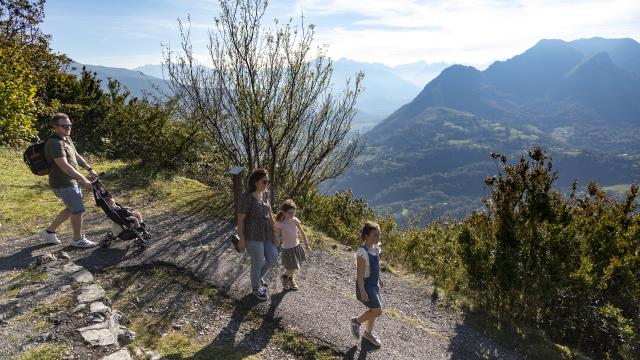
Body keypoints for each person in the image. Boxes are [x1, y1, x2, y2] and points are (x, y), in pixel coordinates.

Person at [39, 113, 98, 248]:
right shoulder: (54, 143)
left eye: (70, 125)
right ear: (55, 126)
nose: (68, 128)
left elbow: (76, 155)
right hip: (62, 182)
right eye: (65, 126)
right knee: (78, 210)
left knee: (73, 208)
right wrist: (83, 179)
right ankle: (77, 240)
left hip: (71, 180)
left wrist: (89, 169)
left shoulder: (66, 138)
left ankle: (49, 232)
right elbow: (64, 166)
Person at [237, 169, 278, 301]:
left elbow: (270, 213)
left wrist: (274, 232)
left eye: (268, 181)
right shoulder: (246, 197)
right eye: (264, 182)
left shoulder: (266, 194)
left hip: (266, 233)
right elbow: (240, 220)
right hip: (252, 235)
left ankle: (258, 277)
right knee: (258, 262)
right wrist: (242, 239)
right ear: (255, 182)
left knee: (272, 258)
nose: (267, 184)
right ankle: (256, 288)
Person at [351, 220, 384, 347]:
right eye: (375, 235)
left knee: (373, 310)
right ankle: (356, 321)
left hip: (373, 284)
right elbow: (359, 274)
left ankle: (368, 333)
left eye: (379, 234)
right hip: (365, 286)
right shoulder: (362, 252)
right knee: (377, 311)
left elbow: (374, 268)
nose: (378, 237)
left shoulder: (375, 249)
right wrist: (363, 290)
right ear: (366, 236)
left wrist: (379, 279)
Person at [273, 199, 310, 290]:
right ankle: (287, 278)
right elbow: (276, 234)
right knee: (291, 266)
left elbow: (302, 232)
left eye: (293, 213)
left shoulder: (294, 220)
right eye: (289, 213)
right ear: (284, 212)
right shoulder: (280, 223)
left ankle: (289, 278)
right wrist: (277, 241)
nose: (292, 215)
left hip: (296, 246)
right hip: (287, 248)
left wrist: (306, 243)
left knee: (293, 266)